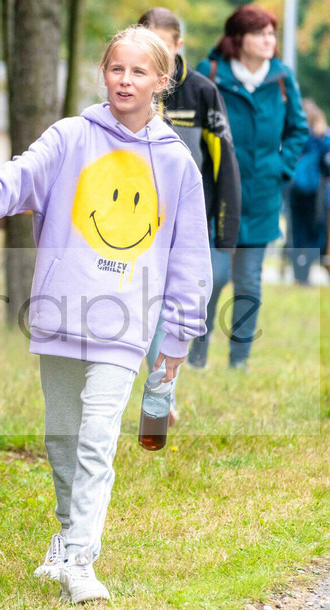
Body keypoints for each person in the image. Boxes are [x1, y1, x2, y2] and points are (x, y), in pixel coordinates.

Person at [0, 26, 212, 603]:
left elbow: (189, 255)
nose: (125, 81)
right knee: (61, 435)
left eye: (140, 72)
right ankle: (67, 533)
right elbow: (21, 174)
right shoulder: (70, 136)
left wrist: (178, 340)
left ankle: (82, 559)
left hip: (126, 320)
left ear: (163, 81)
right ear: (103, 74)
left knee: (95, 437)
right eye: (117, 69)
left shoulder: (177, 163)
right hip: (63, 310)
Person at [188, 4, 308, 370]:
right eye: (261, 33)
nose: (270, 40)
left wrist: (281, 169)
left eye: (272, 33)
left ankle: (239, 360)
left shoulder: (283, 78)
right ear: (239, 39)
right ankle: (196, 354)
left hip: (262, 198)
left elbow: (298, 130)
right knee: (213, 278)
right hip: (215, 197)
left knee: (249, 284)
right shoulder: (210, 75)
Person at [139, 7, 242, 424]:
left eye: (162, 47)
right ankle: (161, 393)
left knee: (172, 307)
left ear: (179, 46)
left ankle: (163, 389)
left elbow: (224, 165)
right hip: (140, 227)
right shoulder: (128, 91)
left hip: (188, 224)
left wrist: (225, 231)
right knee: (149, 307)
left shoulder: (202, 92)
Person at [287, 100, 330, 285]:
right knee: (315, 233)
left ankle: (299, 275)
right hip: (314, 194)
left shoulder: (294, 137)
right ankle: (305, 271)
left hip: (294, 190)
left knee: (297, 232)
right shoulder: (320, 140)